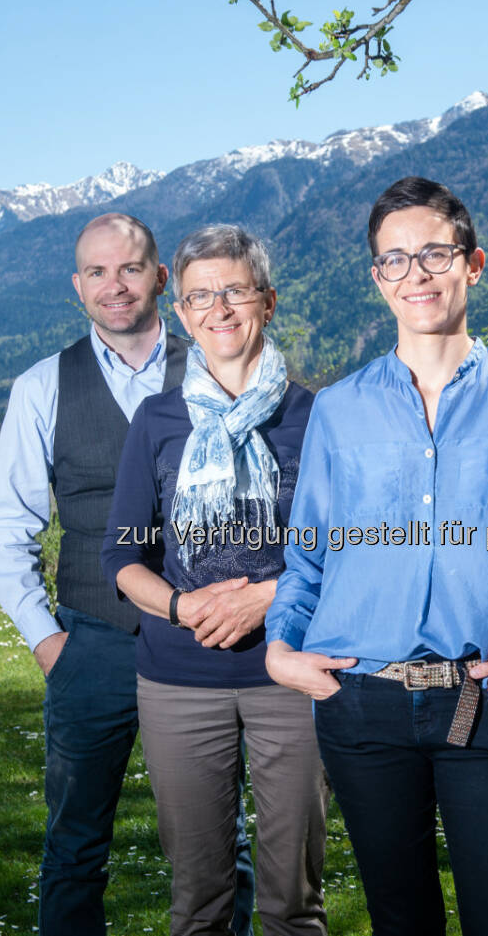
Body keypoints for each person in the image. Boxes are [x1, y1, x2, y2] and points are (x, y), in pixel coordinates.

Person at [265, 176, 488, 936]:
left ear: (473, 264)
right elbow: (309, 558)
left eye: (433, 254)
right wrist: (280, 649)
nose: (415, 275)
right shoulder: (339, 409)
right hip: (361, 703)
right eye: (394, 260)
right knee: (400, 919)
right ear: (376, 278)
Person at [0, 213, 253, 936]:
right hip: (92, 643)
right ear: (77, 286)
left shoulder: (217, 372)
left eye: (130, 268)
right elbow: (5, 527)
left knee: (224, 844)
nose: (114, 285)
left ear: (161, 278)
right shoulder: (43, 387)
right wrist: (48, 642)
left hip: (204, 642)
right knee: (74, 846)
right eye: (96, 272)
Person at [100, 224, 327, 936]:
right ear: (182, 310)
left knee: (293, 900)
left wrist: (269, 594)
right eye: (200, 295)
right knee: (198, 898)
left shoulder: (316, 417)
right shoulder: (157, 420)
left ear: (268, 299)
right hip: (176, 679)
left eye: (234, 290)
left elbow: (338, 547)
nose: (218, 308)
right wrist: (180, 601)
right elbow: (124, 553)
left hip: (288, 674)